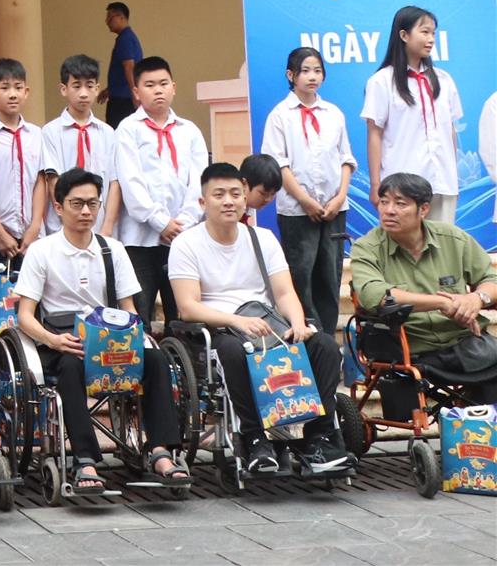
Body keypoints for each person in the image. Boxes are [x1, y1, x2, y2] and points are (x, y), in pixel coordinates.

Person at [169, 162, 356, 476]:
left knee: (324, 346)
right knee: (231, 351)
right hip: (219, 329)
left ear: (245, 198)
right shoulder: (186, 244)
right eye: (219, 194)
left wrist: (298, 323)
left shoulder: (263, 238)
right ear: (203, 202)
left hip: (268, 326)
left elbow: (284, 293)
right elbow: (188, 307)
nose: (228, 201)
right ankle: (254, 438)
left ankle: (320, 439)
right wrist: (236, 321)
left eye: (235, 194)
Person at [14, 169, 188, 493]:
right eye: (77, 203)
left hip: (111, 336)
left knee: (156, 360)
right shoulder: (42, 251)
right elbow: (24, 315)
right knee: (70, 367)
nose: (85, 211)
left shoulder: (113, 249)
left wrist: (134, 338)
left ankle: (161, 451)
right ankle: (85, 459)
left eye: (92, 204)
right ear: (58, 207)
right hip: (63, 338)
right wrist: (53, 340)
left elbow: (129, 307)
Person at [349, 172, 497, 404]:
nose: (389, 210)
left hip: (463, 342)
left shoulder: (453, 238)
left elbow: (491, 278)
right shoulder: (366, 247)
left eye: (400, 204)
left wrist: (477, 299)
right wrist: (442, 302)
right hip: (408, 346)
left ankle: (478, 417)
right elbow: (374, 295)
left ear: (424, 209)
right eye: (384, 202)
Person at [260, 48, 354, 335]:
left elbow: (346, 159)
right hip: (297, 211)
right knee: (301, 275)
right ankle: (306, 336)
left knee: (330, 274)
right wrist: (305, 200)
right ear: (291, 75)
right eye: (305, 71)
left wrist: (340, 197)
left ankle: (327, 338)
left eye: (317, 70)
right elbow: (279, 164)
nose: (312, 76)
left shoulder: (333, 113)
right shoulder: (280, 116)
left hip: (334, 208)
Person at [114, 56, 208, 330]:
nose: (158, 90)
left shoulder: (189, 131)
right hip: (139, 239)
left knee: (181, 315)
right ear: (136, 92)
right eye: (150, 85)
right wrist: (160, 222)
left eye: (164, 83)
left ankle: (182, 358)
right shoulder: (128, 129)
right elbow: (130, 182)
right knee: (139, 314)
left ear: (174, 87)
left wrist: (184, 224)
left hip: (182, 238)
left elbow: (200, 181)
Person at [363, 5, 464, 223]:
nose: (431, 39)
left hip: (443, 183)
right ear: (404, 35)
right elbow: (374, 134)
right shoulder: (381, 81)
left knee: (441, 242)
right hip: (402, 187)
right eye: (425, 32)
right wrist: (376, 184)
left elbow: (451, 131)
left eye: (433, 33)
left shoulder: (444, 80)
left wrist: (453, 175)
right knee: (403, 243)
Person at [38, 53, 122, 238]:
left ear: (97, 89)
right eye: (76, 86)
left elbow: (114, 181)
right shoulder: (50, 132)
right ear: (64, 89)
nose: (83, 93)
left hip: (100, 226)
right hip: (62, 227)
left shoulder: (108, 132)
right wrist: (68, 221)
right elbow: (53, 180)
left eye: (89, 86)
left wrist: (108, 226)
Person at [0, 58, 44, 271]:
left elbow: (40, 181)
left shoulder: (36, 134)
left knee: (34, 292)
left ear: (26, 92)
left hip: (32, 236)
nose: (12, 94)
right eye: (5, 88)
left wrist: (35, 226)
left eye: (18, 87)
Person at [102, 2, 142, 128]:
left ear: (121, 17)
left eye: (110, 17)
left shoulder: (125, 39)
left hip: (123, 100)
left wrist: (134, 93)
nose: (107, 21)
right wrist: (110, 89)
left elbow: (129, 67)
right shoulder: (126, 37)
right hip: (121, 96)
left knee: (117, 132)